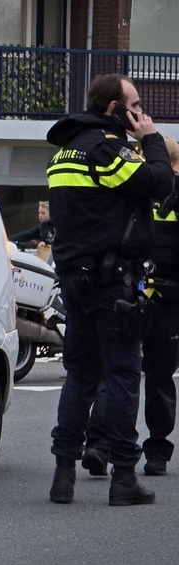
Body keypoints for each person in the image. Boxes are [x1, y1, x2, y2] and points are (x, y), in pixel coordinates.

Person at [45, 74, 175, 506]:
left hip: (76, 279)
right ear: (114, 108)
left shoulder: (66, 149)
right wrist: (152, 138)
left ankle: (63, 475)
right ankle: (124, 477)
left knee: (80, 376)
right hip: (111, 281)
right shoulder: (106, 147)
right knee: (121, 374)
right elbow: (158, 182)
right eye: (135, 105)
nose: (140, 112)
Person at [83, 136, 179, 478]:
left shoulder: (130, 189)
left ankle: (99, 444)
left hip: (126, 292)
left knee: (116, 372)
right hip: (167, 301)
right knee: (159, 377)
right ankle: (156, 453)